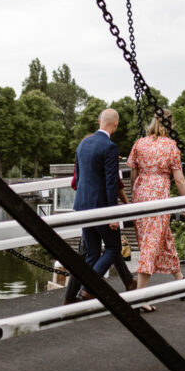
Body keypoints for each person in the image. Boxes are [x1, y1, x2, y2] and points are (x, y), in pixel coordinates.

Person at [127, 111, 185, 310]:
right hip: (158, 196)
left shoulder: (140, 144)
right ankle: (141, 298)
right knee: (151, 243)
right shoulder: (171, 146)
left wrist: (136, 194)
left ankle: (180, 280)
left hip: (141, 194)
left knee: (162, 238)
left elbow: (133, 174)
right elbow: (180, 179)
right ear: (170, 124)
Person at [71, 109, 126, 300]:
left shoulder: (82, 144)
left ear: (99, 121)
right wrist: (112, 215)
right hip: (100, 207)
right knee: (113, 248)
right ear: (115, 125)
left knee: (92, 253)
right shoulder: (110, 147)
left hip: (82, 205)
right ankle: (88, 289)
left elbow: (77, 179)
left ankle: (82, 294)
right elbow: (111, 184)